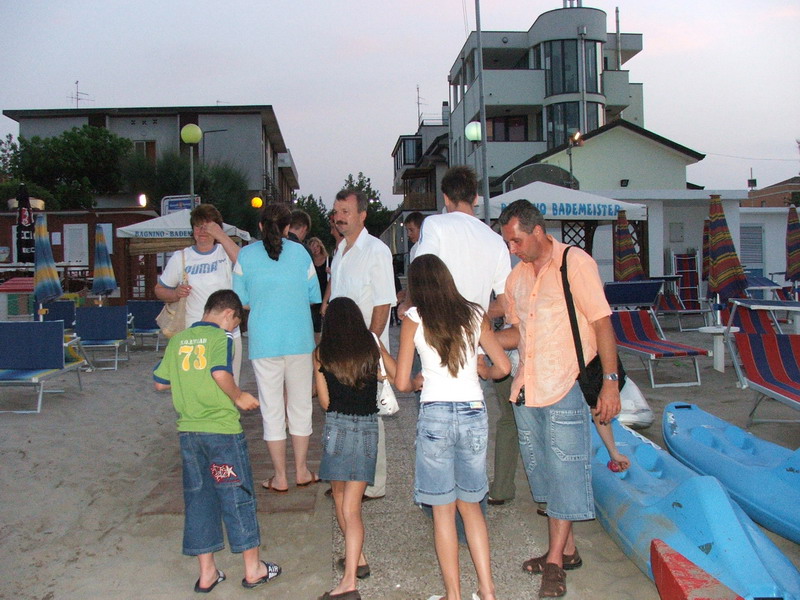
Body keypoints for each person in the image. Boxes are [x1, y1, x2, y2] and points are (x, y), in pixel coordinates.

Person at [498, 199, 622, 599]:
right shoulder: (516, 278)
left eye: (516, 240)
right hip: (527, 387)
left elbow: (602, 323)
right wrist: (481, 342)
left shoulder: (575, 263)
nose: (512, 248)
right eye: (507, 242)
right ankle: (567, 550)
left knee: (566, 471)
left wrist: (610, 382)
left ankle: (554, 562)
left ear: (537, 231)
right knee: (543, 473)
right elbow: (517, 333)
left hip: (567, 384)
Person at [395, 254, 510, 600]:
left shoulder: (414, 319)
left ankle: (453, 595)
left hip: (436, 415)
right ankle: (487, 591)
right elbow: (503, 367)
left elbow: (401, 382)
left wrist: (417, 381)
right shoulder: (475, 314)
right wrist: (483, 370)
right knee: (471, 506)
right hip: (473, 412)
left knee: (443, 512)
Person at [153, 289, 282, 592]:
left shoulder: (179, 340)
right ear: (228, 314)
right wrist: (239, 396)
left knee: (199, 499)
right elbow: (219, 372)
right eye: (235, 324)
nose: (233, 330)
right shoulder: (220, 338)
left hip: (190, 434)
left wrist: (188, 381)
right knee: (236, 495)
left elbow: (160, 383)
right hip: (221, 434)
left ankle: (207, 573)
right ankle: (253, 569)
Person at [233, 204, 321, 493]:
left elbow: (240, 299)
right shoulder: (301, 254)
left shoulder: (245, 255)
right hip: (299, 338)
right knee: (300, 405)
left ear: (260, 226)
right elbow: (313, 295)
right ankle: (302, 470)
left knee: (271, 409)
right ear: (287, 227)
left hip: (264, 340)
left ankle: (280, 476)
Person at [314, 297, 397, 600]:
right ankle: (355, 562)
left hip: (337, 428)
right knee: (354, 506)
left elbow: (325, 403)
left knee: (340, 499)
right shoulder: (371, 345)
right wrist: (380, 371)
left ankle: (351, 578)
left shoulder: (321, 352)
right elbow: (397, 374)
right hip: (367, 429)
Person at [324, 188, 396, 501]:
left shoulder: (376, 250)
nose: (339, 217)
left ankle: (373, 484)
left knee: (370, 417)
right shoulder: (340, 251)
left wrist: (372, 348)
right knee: (343, 414)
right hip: (342, 351)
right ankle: (347, 477)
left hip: (364, 351)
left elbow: (383, 303)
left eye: (346, 211)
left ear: (362, 215)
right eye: (336, 211)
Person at [155, 204, 243, 383]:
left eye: (207, 227)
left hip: (227, 333)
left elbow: (245, 263)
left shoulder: (225, 252)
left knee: (229, 386)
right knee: (198, 385)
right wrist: (175, 294)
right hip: (194, 334)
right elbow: (159, 290)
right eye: (197, 226)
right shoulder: (181, 257)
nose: (202, 231)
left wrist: (220, 235)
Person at [413, 166, 510, 319]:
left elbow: (421, 272)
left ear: (446, 198)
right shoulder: (497, 241)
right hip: (475, 331)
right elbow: (505, 304)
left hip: (438, 327)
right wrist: (474, 316)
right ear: (476, 198)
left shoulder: (434, 224)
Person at [307, 236, 330, 341]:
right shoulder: (309, 262)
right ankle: (317, 345)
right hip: (314, 296)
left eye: (317, 246)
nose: (315, 249)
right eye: (313, 247)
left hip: (326, 294)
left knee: (327, 323)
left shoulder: (329, 260)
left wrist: (330, 272)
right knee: (315, 324)